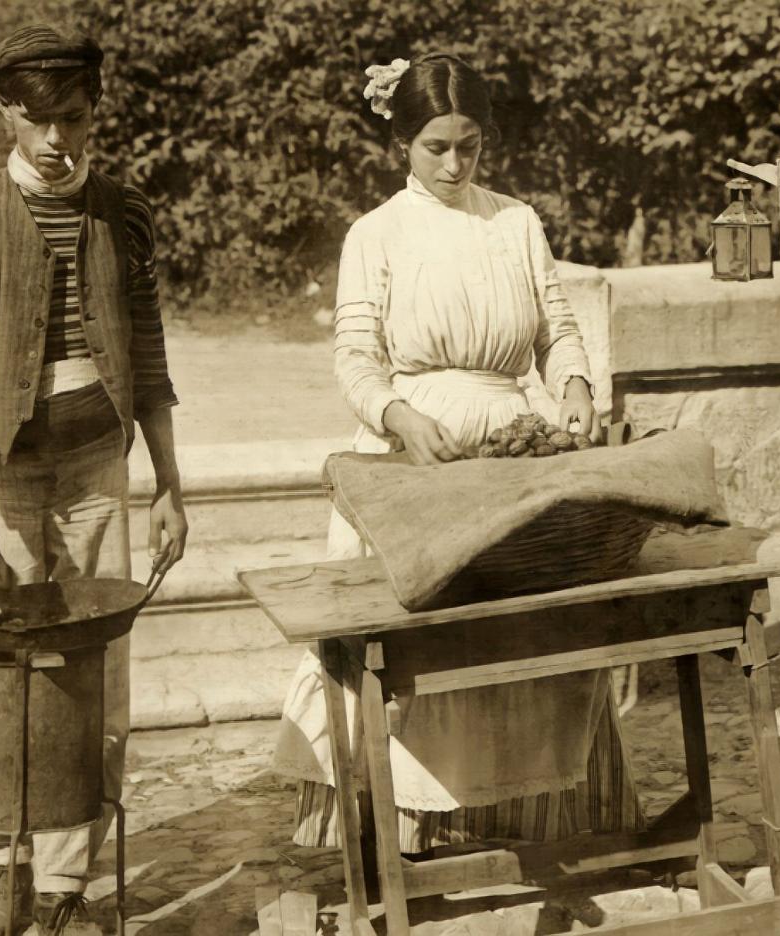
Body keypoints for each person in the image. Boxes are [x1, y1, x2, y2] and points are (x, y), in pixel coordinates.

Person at [272, 52, 643, 855]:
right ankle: (412, 833)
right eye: (434, 145)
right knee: (423, 642)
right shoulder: (376, 235)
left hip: (511, 449)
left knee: (525, 629)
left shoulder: (517, 222)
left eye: (468, 146)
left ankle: (530, 816)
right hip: (418, 457)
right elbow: (356, 359)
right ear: (402, 141)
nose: (452, 163)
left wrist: (574, 384)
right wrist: (399, 414)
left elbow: (555, 326)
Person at [0, 23, 188, 936]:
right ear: (6, 117)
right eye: (36, 122)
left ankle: (70, 877)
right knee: (3, 672)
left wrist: (170, 487)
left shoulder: (127, 214)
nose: (56, 141)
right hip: (0, 477)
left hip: (97, 468)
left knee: (96, 671)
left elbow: (148, 367)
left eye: (72, 118)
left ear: (96, 112)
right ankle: (8, 868)